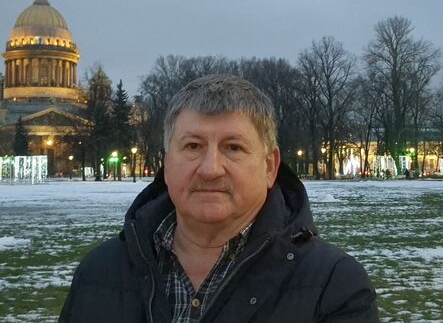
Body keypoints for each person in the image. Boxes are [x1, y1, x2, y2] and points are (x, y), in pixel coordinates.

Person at [59, 74, 379, 323]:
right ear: (166, 164)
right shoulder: (98, 273)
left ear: (269, 166)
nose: (210, 169)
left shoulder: (334, 285)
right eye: (193, 146)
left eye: (233, 147)